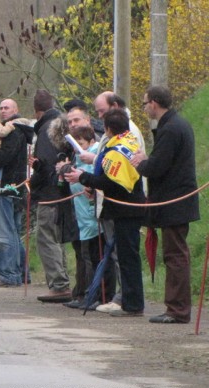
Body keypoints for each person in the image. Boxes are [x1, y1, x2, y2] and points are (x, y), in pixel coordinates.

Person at [65, 109, 145, 317]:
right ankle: (131, 301)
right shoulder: (129, 142)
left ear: (108, 129)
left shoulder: (116, 151)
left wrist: (84, 178)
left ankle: (133, 304)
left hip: (124, 209)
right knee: (128, 257)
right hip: (130, 207)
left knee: (127, 259)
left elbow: (112, 183)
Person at [130, 86, 199, 324]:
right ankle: (175, 307)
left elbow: (158, 167)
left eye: (145, 103)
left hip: (175, 202)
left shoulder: (170, 129)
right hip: (176, 201)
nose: (144, 107)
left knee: (175, 256)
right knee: (174, 254)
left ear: (155, 103)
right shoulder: (177, 124)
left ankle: (177, 309)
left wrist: (140, 163)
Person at [0, 98, 33, 287]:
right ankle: (22, 273)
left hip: (5, 186)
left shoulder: (13, 131)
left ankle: (8, 274)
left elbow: (4, 156)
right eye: (1, 108)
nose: (3, 111)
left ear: (16, 109)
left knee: (4, 232)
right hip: (17, 186)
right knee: (13, 231)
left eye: (7, 108)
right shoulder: (21, 131)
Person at [29, 90, 74, 301]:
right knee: (56, 238)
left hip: (49, 194)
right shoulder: (60, 125)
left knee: (46, 238)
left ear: (37, 112)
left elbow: (48, 166)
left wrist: (35, 177)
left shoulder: (46, 130)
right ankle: (61, 282)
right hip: (62, 192)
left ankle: (59, 284)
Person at [54, 126, 104, 309]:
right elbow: (64, 184)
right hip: (82, 216)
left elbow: (92, 177)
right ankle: (87, 294)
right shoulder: (78, 157)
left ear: (91, 142)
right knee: (86, 255)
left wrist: (78, 176)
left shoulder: (92, 155)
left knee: (93, 256)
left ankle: (96, 295)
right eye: (75, 145)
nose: (77, 149)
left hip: (92, 216)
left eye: (80, 144)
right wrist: (64, 172)